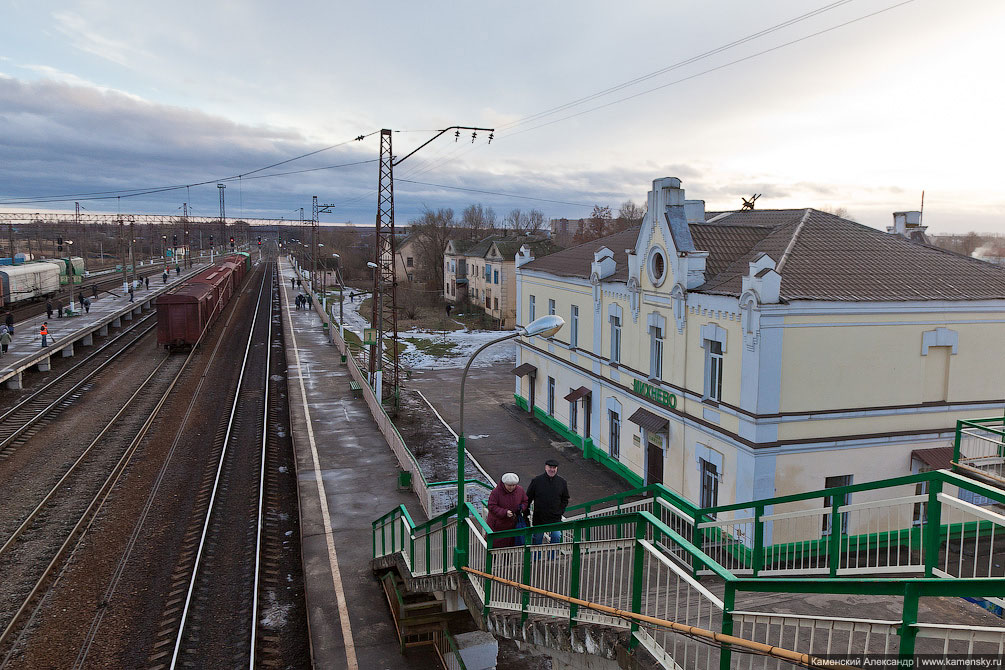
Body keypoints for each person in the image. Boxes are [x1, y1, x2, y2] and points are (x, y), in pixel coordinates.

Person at [526, 459, 570, 546]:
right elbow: (528, 497)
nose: (552, 470)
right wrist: (526, 511)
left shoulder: (562, 482)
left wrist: (560, 511)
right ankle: (536, 559)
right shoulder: (537, 481)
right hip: (539, 517)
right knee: (537, 538)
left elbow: (565, 498)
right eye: (550, 467)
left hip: (555, 517)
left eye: (554, 468)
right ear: (545, 467)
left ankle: (553, 558)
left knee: (557, 536)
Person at [487, 473, 529, 548]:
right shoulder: (496, 492)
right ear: (504, 484)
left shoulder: (520, 490)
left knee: (509, 549)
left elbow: (525, 501)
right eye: (509, 485)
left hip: (512, 525)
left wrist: (521, 508)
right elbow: (491, 506)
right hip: (497, 526)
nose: (511, 487)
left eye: (513, 485)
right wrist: (505, 512)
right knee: (494, 548)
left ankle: (507, 559)